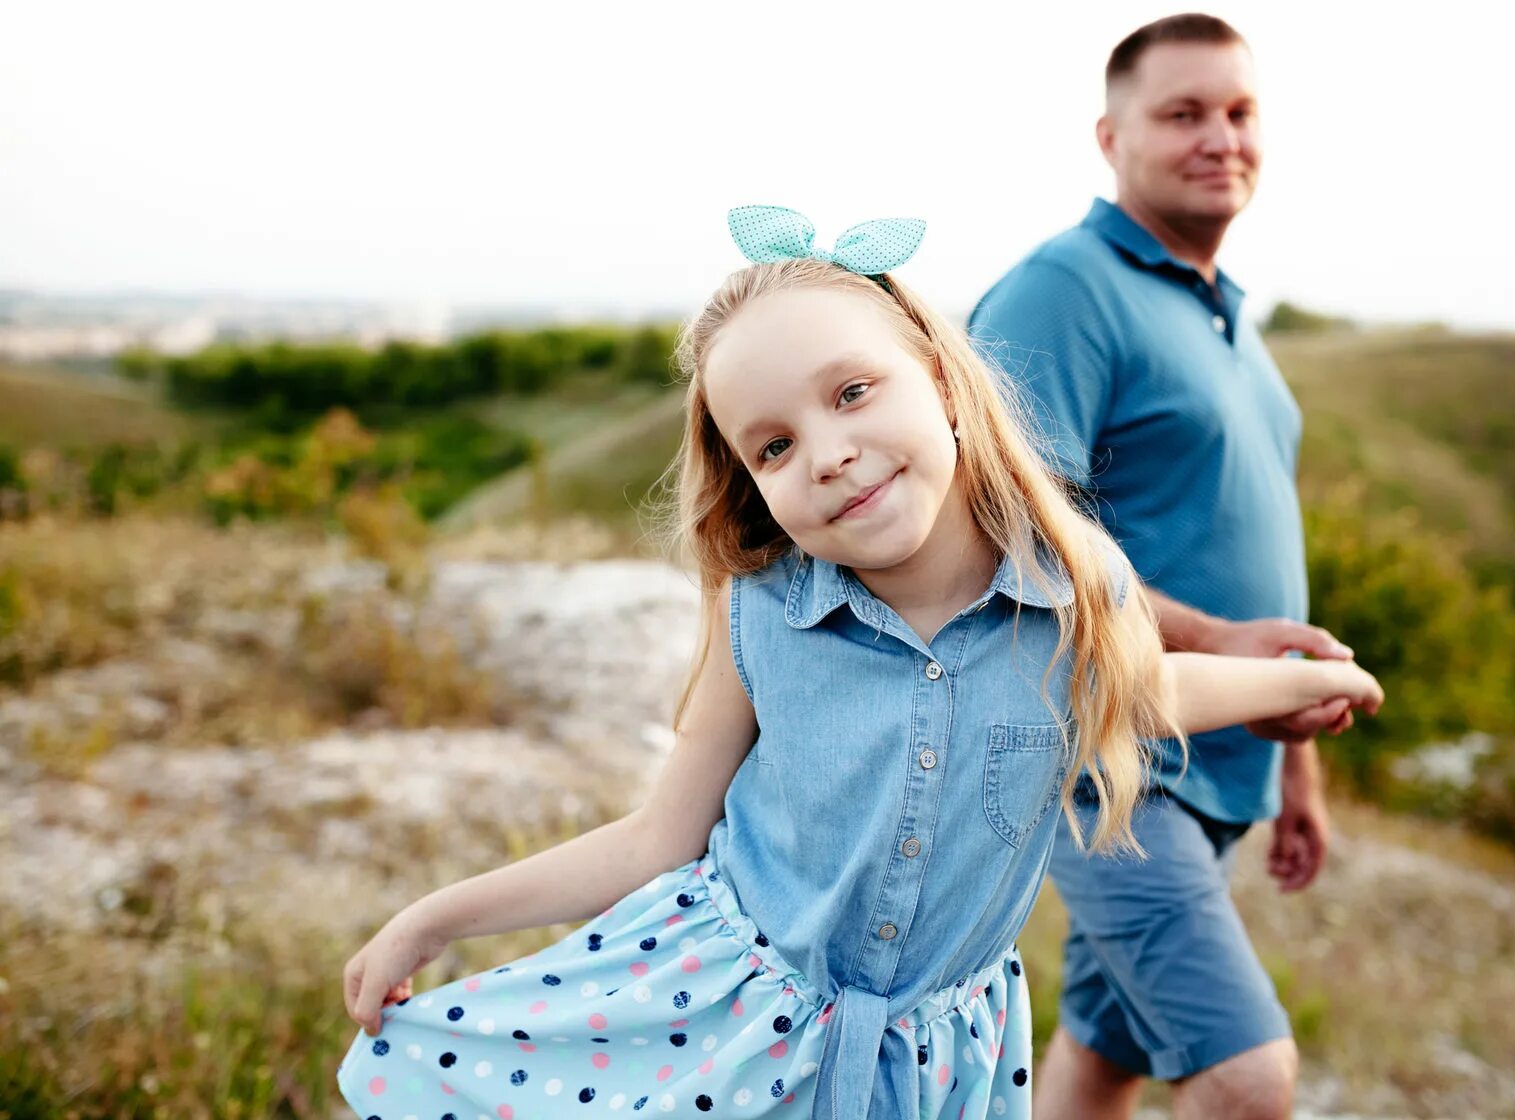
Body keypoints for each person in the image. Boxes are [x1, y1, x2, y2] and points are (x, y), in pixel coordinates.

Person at [335, 205, 1381, 1120]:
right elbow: (660, 834)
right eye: (774, 446)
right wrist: (433, 918)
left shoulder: (1076, 591)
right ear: (749, 480)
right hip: (727, 1031)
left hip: (935, 1064)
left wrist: (1301, 686)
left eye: (852, 392)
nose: (826, 451)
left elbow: (1146, 692)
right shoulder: (763, 617)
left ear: (939, 378)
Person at [967, 15, 1357, 1120]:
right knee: (1245, 1077)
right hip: (1110, 762)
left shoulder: (1224, 312)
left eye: (1238, 112)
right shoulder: (1065, 290)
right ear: (1110, 136)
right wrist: (1231, 649)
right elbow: (1016, 539)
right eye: (1182, 113)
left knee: (1100, 1058)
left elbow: (1251, 552)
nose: (1218, 137)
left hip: (1221, 763)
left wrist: (1297, 765)